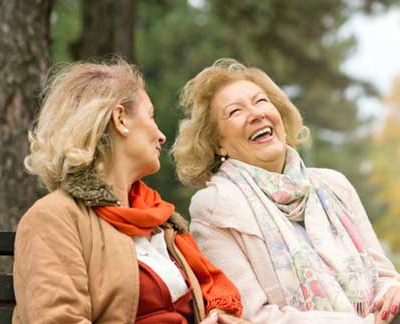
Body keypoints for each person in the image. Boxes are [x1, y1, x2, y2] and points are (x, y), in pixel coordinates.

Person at [171, 58, 400, 324]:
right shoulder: (215, 206)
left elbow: (384, 275)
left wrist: (393, 293)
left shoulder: (333, 184)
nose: (256, 114)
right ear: (218, 144)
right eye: (235, 111)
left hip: (380, 319)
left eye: (261, 101)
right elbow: (254, 315)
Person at [15, 59, 254, 324]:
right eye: (151, 116)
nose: (162, 136)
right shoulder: (53, 218)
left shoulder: (160, 223)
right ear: (120, 119)